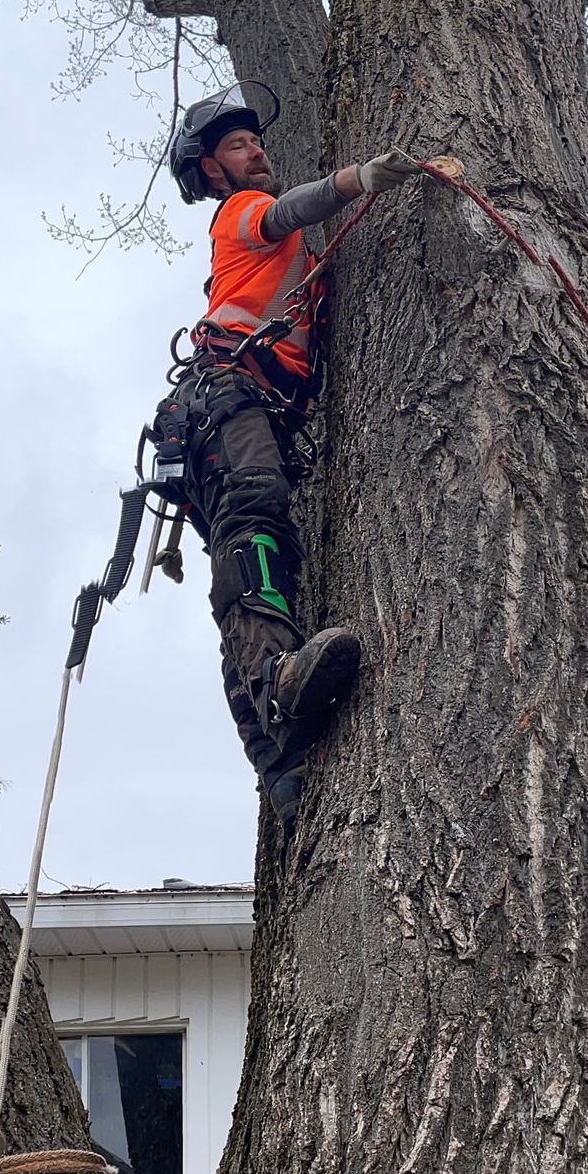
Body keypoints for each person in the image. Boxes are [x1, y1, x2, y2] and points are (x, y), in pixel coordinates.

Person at [165, 84, 417, 814]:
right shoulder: (241, 214)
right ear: (214, 170)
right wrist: (358, 179)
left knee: (257, 548)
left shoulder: (278, 258)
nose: (257, 149)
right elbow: (288, 209)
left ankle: (274, 756)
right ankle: (274, 679)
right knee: (256, 530)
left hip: (235, 410)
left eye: (257, 140)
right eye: (238, 145)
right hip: (227, 399)